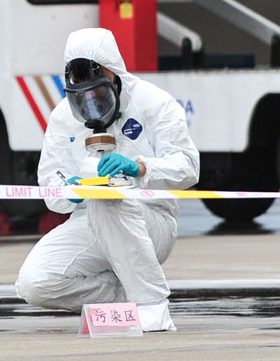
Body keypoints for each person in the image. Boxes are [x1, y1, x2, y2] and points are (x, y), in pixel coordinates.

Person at [15, 27, 199, 332]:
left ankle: (152, 306)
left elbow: (189, 167)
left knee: (108, 199)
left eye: (97, 92)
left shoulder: (154, 103)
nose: (90, 102)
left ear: (113, 73)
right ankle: (125, 293)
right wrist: (69, 190)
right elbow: (51, 180)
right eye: (82, 93)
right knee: (35, 283)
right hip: (88, 221)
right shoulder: (63, 117)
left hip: (151, 221)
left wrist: (140, 168)